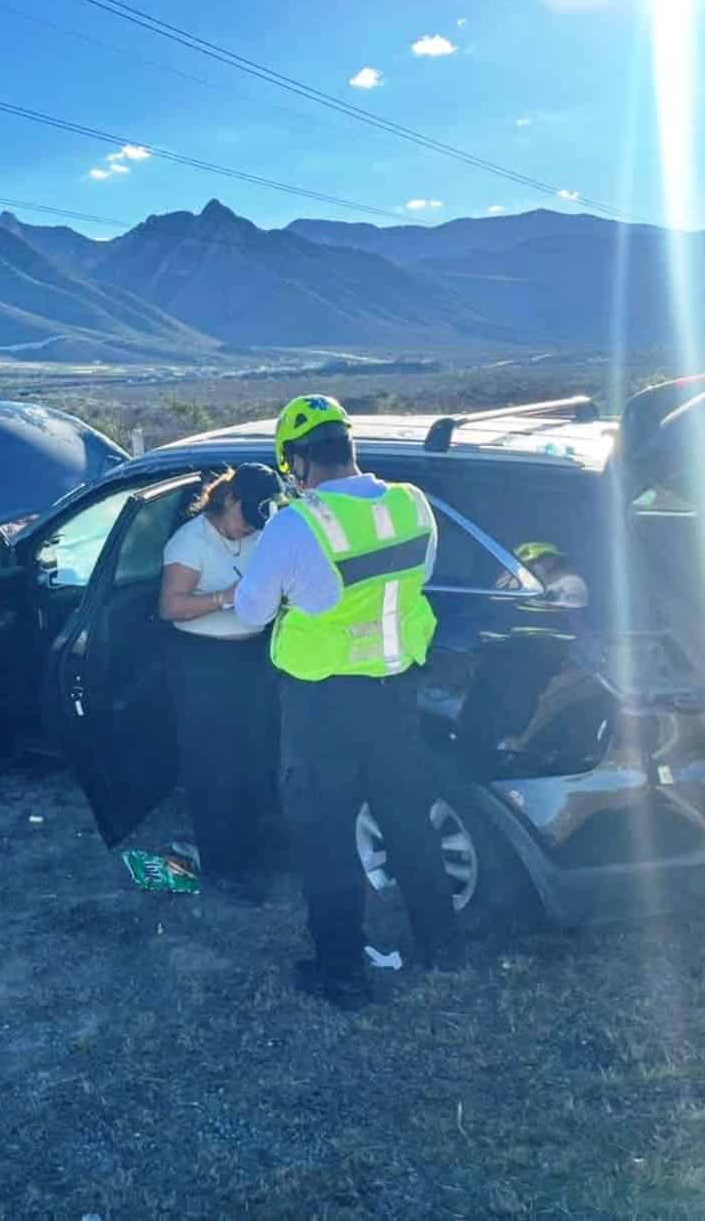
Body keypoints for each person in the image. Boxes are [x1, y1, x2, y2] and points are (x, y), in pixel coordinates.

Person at [234, 395, 460, 1008]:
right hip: (396, 693)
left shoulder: (294, 524)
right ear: (349, 446)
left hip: (322, 705)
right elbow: (417, 579)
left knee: (326, 838)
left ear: (297, 461)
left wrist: (289, 591)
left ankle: (340, 971)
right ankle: (443, 946)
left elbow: (251, 612)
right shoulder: (411, 503)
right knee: (409, 823)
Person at [157, 463, 285, 899]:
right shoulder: (190, 542)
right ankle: (222, 865)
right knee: (214, 765)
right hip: (203, 663)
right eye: (245, 518)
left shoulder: (260, 531)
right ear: (229, 499)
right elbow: (170, 606)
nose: (249, 529)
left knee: (254, 755)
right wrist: (225, 597)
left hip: (253, 656)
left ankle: (251, 846)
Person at [505, 541, 589, 609]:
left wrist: (544, 591)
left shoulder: (572, 584)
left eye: (532, 564)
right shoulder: (514, 584)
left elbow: (574, 606)